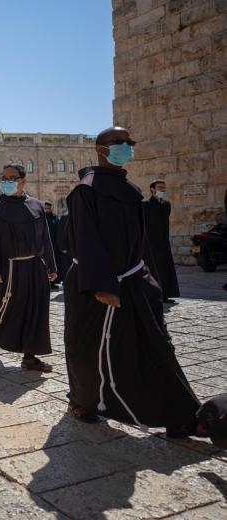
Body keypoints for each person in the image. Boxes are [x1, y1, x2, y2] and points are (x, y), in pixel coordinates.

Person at [64, 126, 202, 438]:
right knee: (90, 349)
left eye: (129, 142)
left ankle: (178, 413)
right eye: (118, 142)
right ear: (101, 149)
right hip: (97, 286)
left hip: (133, 280)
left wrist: (148, 277)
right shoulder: (86, 190)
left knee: (154, 344)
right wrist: (102, 285)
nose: (126, 146)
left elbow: (138, 242)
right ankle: (85, 401)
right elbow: (85, 241)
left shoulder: (130, 190)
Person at [0, 164, 57, 372]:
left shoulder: (37, 206)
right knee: (4, 305)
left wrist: (52, 265)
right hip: (8, 267)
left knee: (36, 311)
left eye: (12, 177)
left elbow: (45, 238)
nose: (7, 181)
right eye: (4, 178)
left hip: (36, 267)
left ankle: (30, 357)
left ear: (23, 180)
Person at [142, 179, 180, 303]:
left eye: (164, 187)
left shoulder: (166, 204)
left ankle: (164, 295)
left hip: (164, 243)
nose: (162, 190)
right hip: (150, 244)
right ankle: (153, 296)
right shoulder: (145, 204)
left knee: (165, 269)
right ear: (152, 189)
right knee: (153, 269)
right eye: (160, 187)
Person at [43, 201, 61, 289]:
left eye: (48, 208)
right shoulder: (41, 218)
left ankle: (54, 282)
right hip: (45, 245)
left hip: (54, 244)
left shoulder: (55, 217)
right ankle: (47, 283)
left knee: (55, 263)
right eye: (45, 208)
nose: (47, 210)